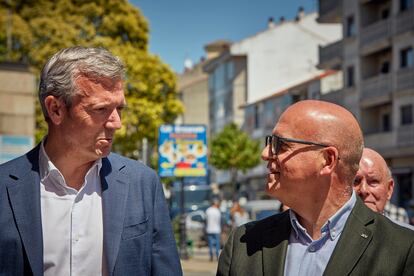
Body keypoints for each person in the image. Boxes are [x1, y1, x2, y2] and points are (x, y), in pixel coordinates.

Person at [0, 46, 182, 276]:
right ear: (55, 109)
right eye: (101, 109)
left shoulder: (142, 183)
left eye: (119, 108)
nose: (117, 123)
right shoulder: (4, 186)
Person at [217, 100, 414, 276]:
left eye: (281, 145)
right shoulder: (243, 243)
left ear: (328, 160)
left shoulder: (402, 249)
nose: (265, 153)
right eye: (270, 142)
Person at [353, 148, 412, 229]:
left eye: (373, 181)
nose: (364, 190)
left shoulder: (408, 238)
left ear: (389, 189)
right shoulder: (331, 236)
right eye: (355, 181)